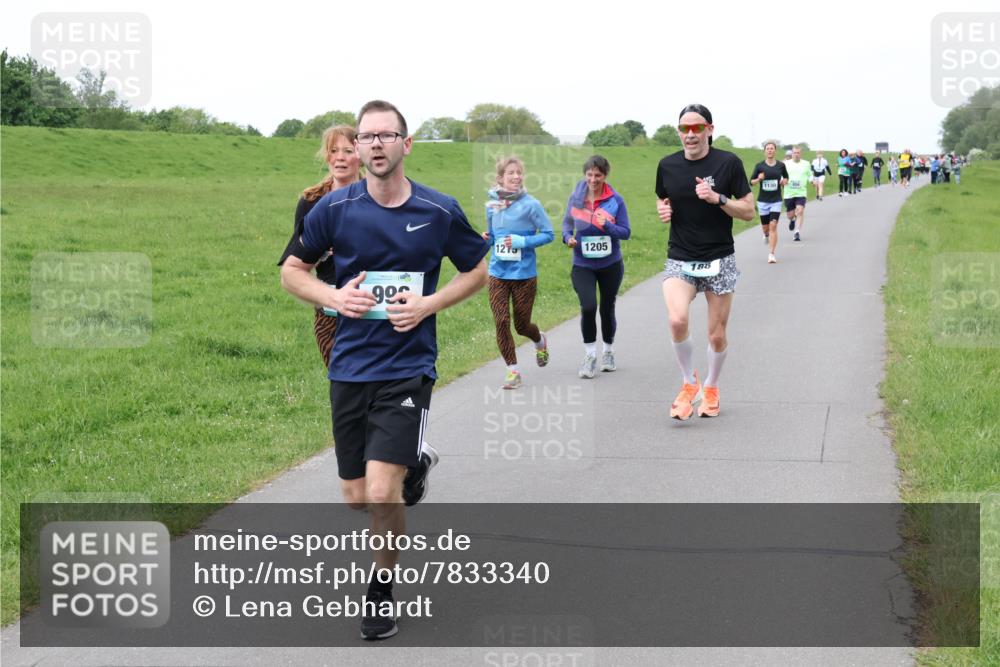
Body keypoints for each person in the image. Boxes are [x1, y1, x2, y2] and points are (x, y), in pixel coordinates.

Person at [280, 100, 489, 640]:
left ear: (405, 144)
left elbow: (479, 269)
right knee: (356, 496)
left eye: (384, 136)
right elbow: (292, 272)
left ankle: (379, 591)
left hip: (407, 366)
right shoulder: (335, 208)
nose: (374, 144)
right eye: (366, 136)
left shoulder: (438, 210)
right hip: (350, 366)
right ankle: (414, 463)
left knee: (379, 492)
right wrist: (331, 297)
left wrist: (428, 304)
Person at [655, 104, 754, 420]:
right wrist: (663, 209)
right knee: (676, 320)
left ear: (710, 129)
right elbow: (663, 196)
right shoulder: (667, 166)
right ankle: (689, 384)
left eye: (697, 128)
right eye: (684, 129)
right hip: (680, 257)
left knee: (716, 335)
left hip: (719, 257)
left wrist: (718, 199)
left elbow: (749, 211)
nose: (690, 135)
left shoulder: (729, 164)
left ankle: (711, 387)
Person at [277, 125, 362, 368]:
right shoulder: (311, 201)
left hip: (373, 305)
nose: (340, 158)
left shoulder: (377, 196)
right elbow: (296, 261)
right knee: (345, 384)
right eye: (333, 150)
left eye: (348, 150)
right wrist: (324, 249)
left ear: (361, 155)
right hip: (330, 311)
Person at [481, 156, 554, 389]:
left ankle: (540, 340)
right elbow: (493, 238)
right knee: (501, 321)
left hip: (524, 274)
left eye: (519, 173)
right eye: (510, 173)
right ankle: (512, 371)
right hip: (497, 273)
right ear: (500, 178)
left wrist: (522, 241)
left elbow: (548, 234)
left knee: (521, 326)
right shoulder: (492, 205)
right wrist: (486, 239)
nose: (516, 177)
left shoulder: (531, 205)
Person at [562, 155, 631, 378]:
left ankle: (608, 351)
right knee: (589, 306)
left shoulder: (616, 200)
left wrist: (608, 225)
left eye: (598, 175)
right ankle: (590, 355)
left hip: (610, 263)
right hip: (582, 263)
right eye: (589, 174)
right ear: (585, 174)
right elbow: (566, 224)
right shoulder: (576, 198)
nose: (593, 179)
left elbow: (626, 232)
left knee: (606, 307)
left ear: (605, 175)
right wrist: (567, 238)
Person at [750, 141, 788, 263]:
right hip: (763, 202)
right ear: (765, 151)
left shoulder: (781, 166)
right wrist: (759, 179)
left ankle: (771, 253)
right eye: (768, 148)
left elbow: (786, 177)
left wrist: (784, 181)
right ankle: (766, 235)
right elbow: (751, 182)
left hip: (776, 200)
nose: (770, 150)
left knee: (773, 225)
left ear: (775, 151)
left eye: (772, 148)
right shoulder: (759, 166)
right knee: (766, 228)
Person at [783, 146, 811, 241]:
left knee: (800, 210)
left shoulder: (806, 164)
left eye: (798, 153)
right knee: (790, 215)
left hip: (801, 192)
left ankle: (797, 232)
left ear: (801, 154)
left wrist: (812, 181)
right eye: (794, 153)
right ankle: (792, 220)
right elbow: (780, 175)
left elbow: (809, 174)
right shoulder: (785, 164)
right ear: (792, 154)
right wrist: (782, 180)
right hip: (789, 193)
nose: (796, 154)